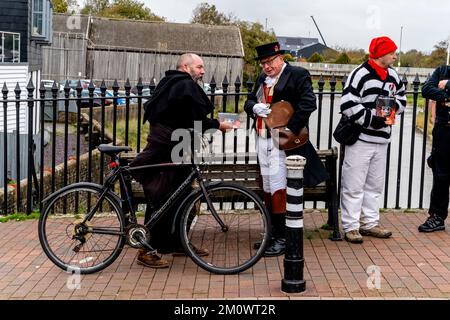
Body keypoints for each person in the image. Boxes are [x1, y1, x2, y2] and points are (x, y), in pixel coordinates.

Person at [130, 53, 232, 268]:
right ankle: (146, 250)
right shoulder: (183, 84)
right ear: (186, 67)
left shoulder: (170, 83)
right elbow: (195, 120)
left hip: (176, 147)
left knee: (183, 196)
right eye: (199, 67)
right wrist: (218, 125)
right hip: (168, 149)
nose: (203, 71)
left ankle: (178, 242)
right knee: (162, 197)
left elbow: (183, 118)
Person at [244, 42, 329, 257]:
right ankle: (271, 235)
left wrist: (289, 129)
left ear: (280, 58)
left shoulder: (297, 74)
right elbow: (249, 100)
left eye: (270, 61)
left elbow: (309, 104)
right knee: (268, 188)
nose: (266, 66)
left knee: (279, 188)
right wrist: (253, 107)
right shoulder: (263, 79)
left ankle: (282, 239)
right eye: (263, 63)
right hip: (262, 138)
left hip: (283, 142)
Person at [339, 36, 407, 243]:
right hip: (360, 138)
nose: (395, 55)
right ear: (381, 54)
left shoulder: (394, 75)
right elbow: (348, 103)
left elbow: (402, 100)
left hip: (382, 139)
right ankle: (351, 226)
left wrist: (390, 113)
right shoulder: (359, 74)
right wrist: (372, 120)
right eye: (392, 52)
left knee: (374, 185)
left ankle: (370, 223)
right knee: (353, 184)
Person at [419, 64, 450, 232]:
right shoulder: (441, 70)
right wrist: (445, 97)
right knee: (440, 175)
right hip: (443, 130)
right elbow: (426, 89)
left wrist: (448, 85)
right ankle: (437, 216)